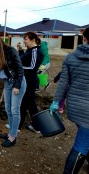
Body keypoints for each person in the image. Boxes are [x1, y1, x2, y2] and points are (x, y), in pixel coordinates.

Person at [50, 27, 89, 173]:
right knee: (82, 144)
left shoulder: (70, 57)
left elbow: (63, 83)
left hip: (74, 107)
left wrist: (55, 102)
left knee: (85, 135)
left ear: (84, 38)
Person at [17, 32, 43, 133]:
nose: (24, 41)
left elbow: (32, 67)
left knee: (28, 104)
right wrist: (20, 51)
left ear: (32, 39)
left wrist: (18, 68)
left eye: (26, 39)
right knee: (27, 104)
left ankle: (34, 126)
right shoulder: (30, 50)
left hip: (30, 82)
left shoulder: (36, 51)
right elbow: (25, 60)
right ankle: (35, 126)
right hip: (26, 81)